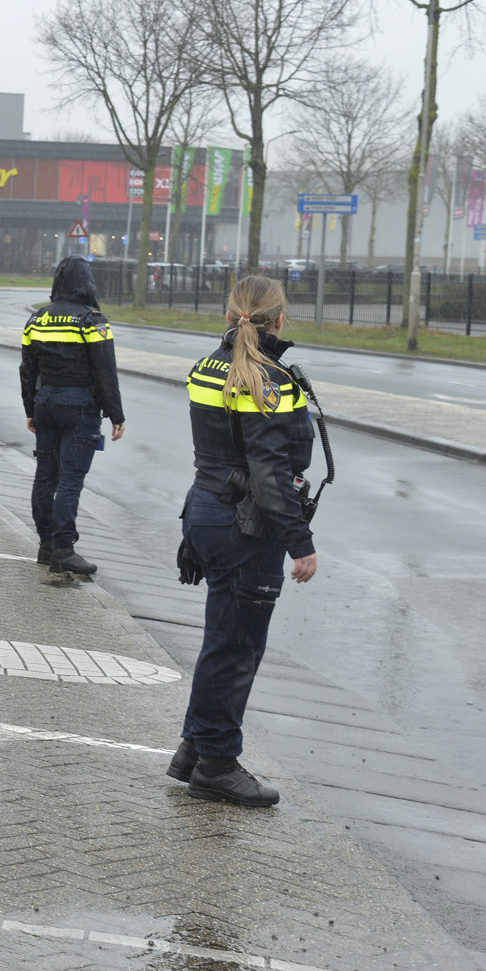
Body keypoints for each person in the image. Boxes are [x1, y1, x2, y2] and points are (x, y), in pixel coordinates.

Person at [169, 274, 319, 808]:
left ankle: (194, 748)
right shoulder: (269, 380)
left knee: (221, 638)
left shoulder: (209, 365)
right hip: (245, 526)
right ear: (278, 320)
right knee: (237, 649)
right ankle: (217, 765)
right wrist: (300, 543)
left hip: (206, 513)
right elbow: (270, 473)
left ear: (231, 315)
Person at [20, 255, 126, 576]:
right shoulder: (93, 321)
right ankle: (64, 547)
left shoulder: (37, 320)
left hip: (46, 403)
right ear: (87, 283)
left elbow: (28, 370)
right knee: (70, 478)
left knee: (45, 476)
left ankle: (46, 544)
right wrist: (116, 414)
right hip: (80, 408)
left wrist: (30, 409)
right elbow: (105, 371)